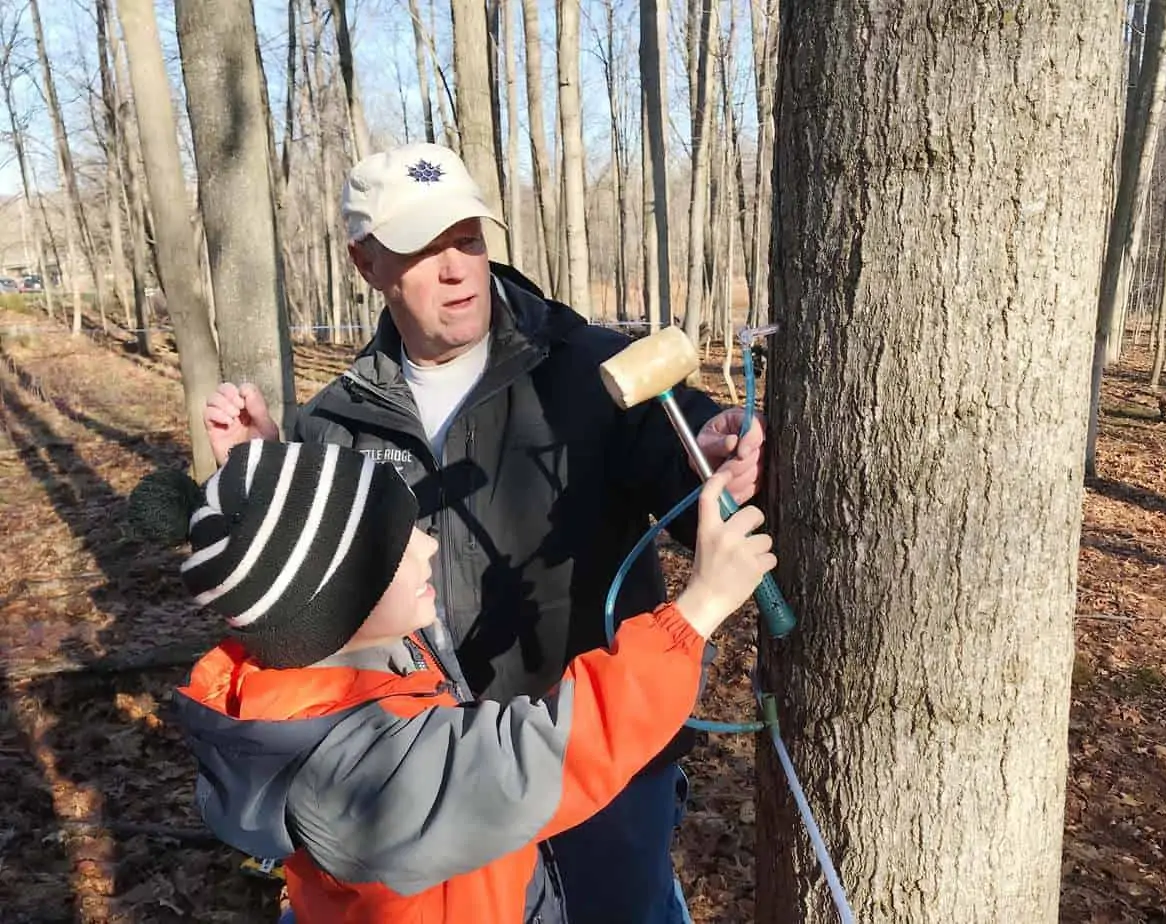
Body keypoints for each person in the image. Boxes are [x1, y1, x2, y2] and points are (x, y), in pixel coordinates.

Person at [203, 142, 766, 923]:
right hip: (435, 789)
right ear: (366, 263)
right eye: (423, 249)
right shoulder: (334, 420)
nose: (457, 268)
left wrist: (711, 444)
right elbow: (304, 603)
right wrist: (273, 476)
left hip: (602, 759)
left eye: (467, 238)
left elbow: (688, 480)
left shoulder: (589, 367)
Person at [135, 439, 774, 923]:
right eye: (394, 546)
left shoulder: (325, 680)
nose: (428, 546)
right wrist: (698, 610)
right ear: (332, 608)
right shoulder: (351, 774)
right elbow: (549, 753)